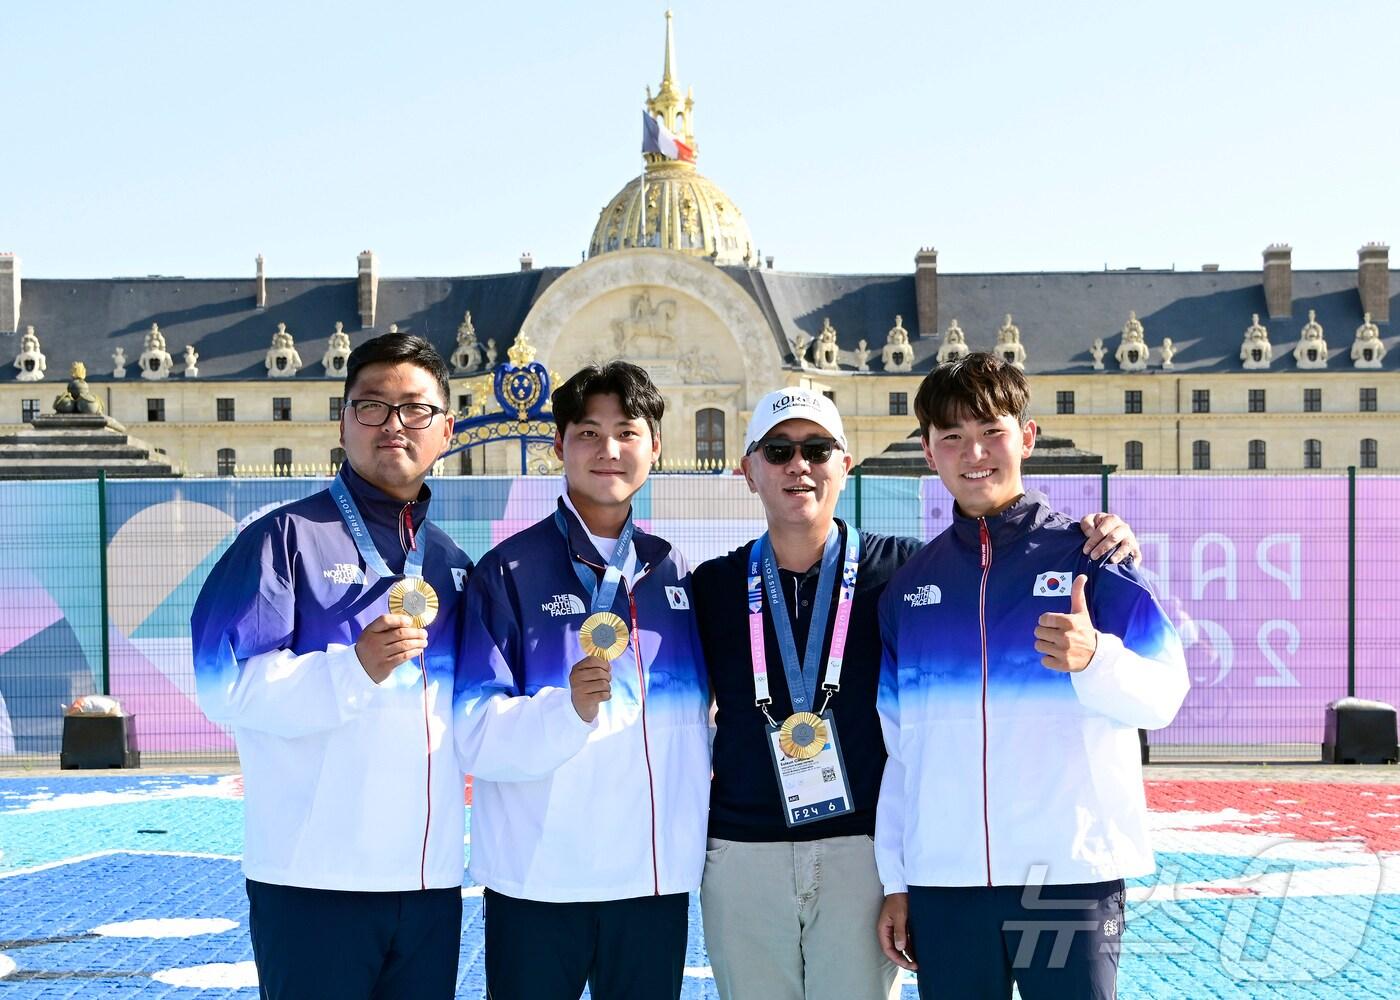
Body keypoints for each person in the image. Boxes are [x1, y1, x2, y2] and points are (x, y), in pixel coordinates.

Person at [692, 387, 1143, 1000]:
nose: (799, 464)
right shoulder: (712, 586)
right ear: (749, 471)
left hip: (865, 852)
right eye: (778, 451)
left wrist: (1104, 547)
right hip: (746, 850)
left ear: (843, 464)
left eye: (817, 448)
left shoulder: (902, 574)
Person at [874, 353, 1189, 1000]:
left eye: (992, 430)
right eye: (952, 438)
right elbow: (899, 753)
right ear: (929, 454)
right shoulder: (908, 588)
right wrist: (896, 879)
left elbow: (1164, 695)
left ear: (1028, 436)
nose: (975, 453)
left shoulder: (1094, 554)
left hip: (1069, 874)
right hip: (948, 881)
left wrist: (1095, 657)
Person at [190, 334, 471, 999]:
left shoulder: (453, 565)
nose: (393, 425)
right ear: (342, 423)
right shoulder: (281, 538)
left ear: (447, 429)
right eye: (371, 407)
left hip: (429, 883)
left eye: (415, 410)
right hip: (313, 883)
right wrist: (353, 669)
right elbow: (220, 686)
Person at [454, 361, 710, 1000]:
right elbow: (474, 733)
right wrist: (567, 710)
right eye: (589, 433)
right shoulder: (507, 570)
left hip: (650, 881)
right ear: (558, 445)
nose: (609, 450)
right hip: (541, 881)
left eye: (627, 431)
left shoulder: (671, 570)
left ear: (656, 447)